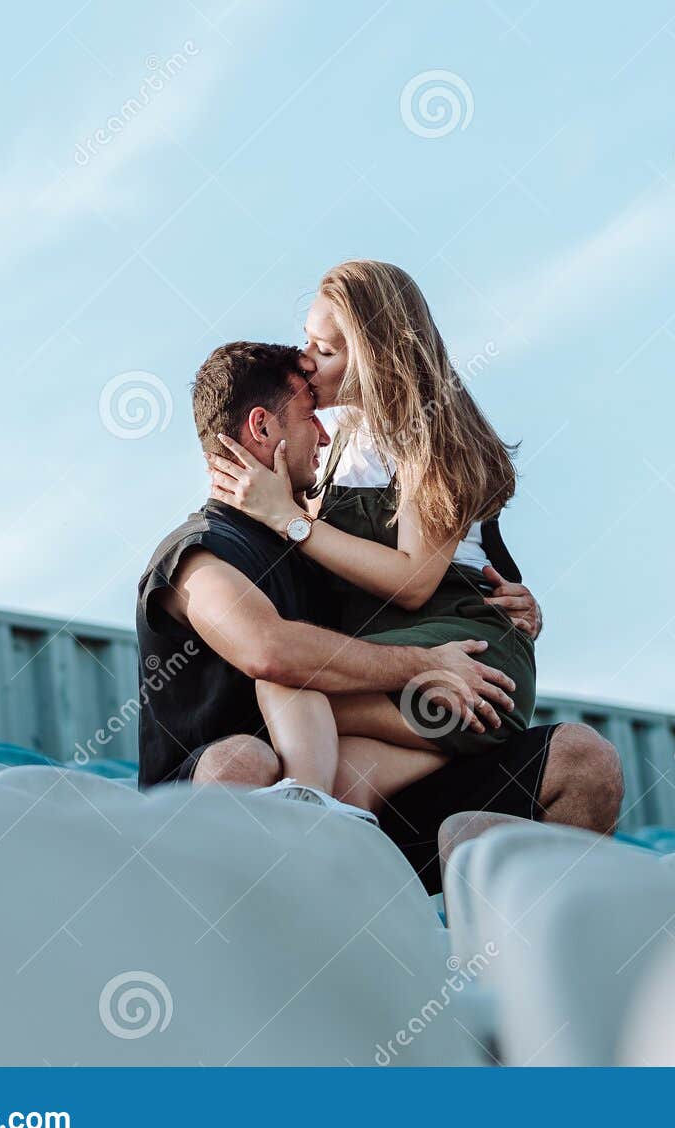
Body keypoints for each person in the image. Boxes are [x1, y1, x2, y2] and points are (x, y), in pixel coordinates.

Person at [135, 340, 621, 890]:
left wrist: (513, 604)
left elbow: (418, 570)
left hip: (363, 793)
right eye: (308, 419)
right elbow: (271, 652)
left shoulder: (319, 538)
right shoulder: (197, 552)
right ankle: (246, 941)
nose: (324, 435)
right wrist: (423, 663)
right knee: (244, 762)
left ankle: (514, 951)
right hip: (236, 803)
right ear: (263, 429)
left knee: (585, 760)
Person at [206, 260, 532, 805]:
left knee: (292, 678)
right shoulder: (332, 441)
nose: (306, 363)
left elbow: (414, 581)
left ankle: (304, 814)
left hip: (464, 648)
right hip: (397, 666)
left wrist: (290, 519)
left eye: (326, 352)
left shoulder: (428, 433)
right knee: (342, 781)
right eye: (307, 342)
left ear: (378, 360)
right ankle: (326, 816)